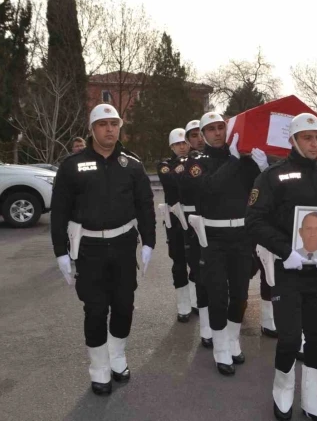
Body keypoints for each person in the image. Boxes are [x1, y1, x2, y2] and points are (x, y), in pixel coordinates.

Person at [246, 112, 317, 421]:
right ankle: (282, 392)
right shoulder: (272, 176)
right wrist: (284, 251)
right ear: (292, 140)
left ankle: (313, 399)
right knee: (291, 338)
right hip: (288, 270)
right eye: (307, 137)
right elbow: (254, 220)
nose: (314, 143)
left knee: (316, 336)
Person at [50, 104, 156, 395]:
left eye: (114, 123)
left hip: (123, 246)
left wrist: (149, 241)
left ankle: (117, 356)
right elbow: (59, 211)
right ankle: (99, 368)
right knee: (95, 310)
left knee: (124, 306)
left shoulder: (132, 166)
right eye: (102, 124)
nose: (109, 129)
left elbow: (145, 206)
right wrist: (60, 251)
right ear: (92, 129)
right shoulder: (72, 166)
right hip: (89, 248)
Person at [179, 112, 265, 376]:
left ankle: (232, 340)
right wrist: (234, 161)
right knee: (217, 294)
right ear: (202, 135)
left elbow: (261, 192)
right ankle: (220, 349)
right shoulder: (195, 162)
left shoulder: (244, 158)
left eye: (221, 127)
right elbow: (209, 188)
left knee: (239, 294)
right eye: (212, 129)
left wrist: (265, 170)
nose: (218, 132)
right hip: (213, 238)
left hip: (241, 236)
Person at [177, 119, 213, 347]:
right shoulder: (187, 164)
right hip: (192, 220)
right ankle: (196, 306)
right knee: (196, 266)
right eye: (193, 136)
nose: (198, 139)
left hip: (217, 222)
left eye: (200, 134)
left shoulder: (221, 158)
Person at [157, 128, 194, 323]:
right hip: (175, 221)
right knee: (178, 261)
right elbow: (169, 179)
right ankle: (183, 304)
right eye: (178, 143)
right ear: (172, 146)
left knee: (197, 260)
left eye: (184, 142)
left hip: (194, 217)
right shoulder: (164, 165)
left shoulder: (196, 161)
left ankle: (196, 300)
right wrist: (181, 171)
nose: (182, 146)